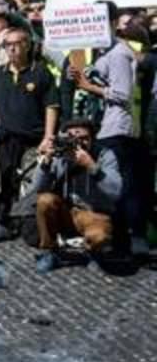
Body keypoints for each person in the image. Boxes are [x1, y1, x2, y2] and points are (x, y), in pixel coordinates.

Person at [67, 3, 149, 260]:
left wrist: (89, 86)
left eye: (101, 20)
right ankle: (114, 236)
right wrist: (76, 75)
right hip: (102, 127)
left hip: (118, 128)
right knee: (107, 184)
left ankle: (133, 239)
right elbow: (91, 79)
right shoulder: (103, 52)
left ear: (114, 23)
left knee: (122, 185)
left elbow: (122, 95)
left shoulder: (119, 53)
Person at [0, 27, 59, 242]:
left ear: (27, 45)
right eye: (7, 44)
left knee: (32, 184)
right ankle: (2, 223)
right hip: (6, 137)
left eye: (16, 43)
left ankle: (30, 226)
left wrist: (48, 136)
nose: (11, 48)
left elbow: (51, 106)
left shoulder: (40, 72)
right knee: (5, 181)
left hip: (34, 138)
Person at [30, 117, 122, 273]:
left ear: (93, 139)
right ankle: (49, 251)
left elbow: (116, 191)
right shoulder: (61, 155)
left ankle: (94, 252)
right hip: (66, 211)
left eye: (84, 139)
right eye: (73, 138)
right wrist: (46, 161)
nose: (79, 143)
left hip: (92, 213)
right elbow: (36, 188)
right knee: (44, 201)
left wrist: (92, 167)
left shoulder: (105, 155)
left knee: (99, 235)